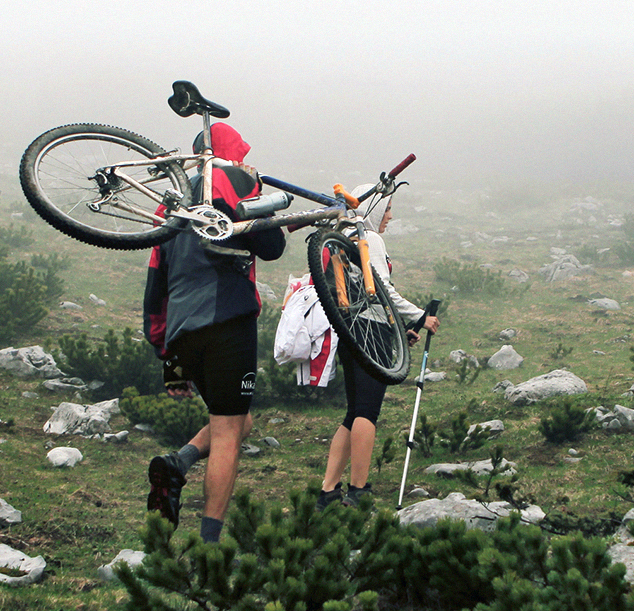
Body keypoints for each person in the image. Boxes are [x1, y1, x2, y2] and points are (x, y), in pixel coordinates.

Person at [143, 123, 287, 543]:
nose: (245, 158)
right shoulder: (231, 177)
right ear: (227, 151)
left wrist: (168, 359)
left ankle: (177, 463)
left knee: (240, 422)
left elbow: (156, 281)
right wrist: (261, 199)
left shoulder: (170, 204)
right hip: (227, 321)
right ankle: (210, 546)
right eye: (241, 151)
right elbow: (272, 247)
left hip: (182, 331)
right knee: (228, 433)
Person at [316, 194, 436, 507]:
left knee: (353, 412)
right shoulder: (370, 239)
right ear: (375, 209)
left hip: (350, 331)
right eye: (389, 209)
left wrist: (398, 331)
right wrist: (420, 317)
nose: (390, 216)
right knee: (368, 411)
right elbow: (382, 289)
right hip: (373, 331)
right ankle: (359, 491)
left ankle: (328, 491)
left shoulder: (342, 238)